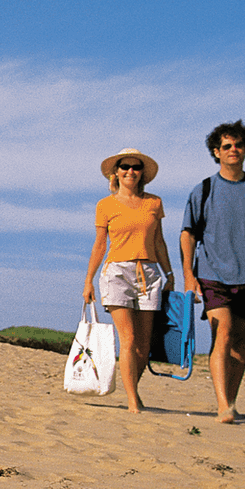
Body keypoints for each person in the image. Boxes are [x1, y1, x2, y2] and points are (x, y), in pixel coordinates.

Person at [179, 119, 245, 424]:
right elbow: (187, 234)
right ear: (216, 151)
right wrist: (189, 275)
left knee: (240, 346)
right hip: (214, 276)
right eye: (226, 146)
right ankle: (222, 405)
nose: (233, 150)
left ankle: (232, 400)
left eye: (238, 145)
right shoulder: (203, 190)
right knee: (223, 335)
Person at [82, 146, 173, 412]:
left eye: (136, 167)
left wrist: (170, 274)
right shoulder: (105, 205)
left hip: (150, 273)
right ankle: (133, 400)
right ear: (116, 173)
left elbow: (159, 241)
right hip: (117, 273)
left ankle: (132, 387)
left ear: (143, 173)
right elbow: (100, 245)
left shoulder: (154, 203)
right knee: (129, 339)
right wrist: (88, 280)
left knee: (144, 345)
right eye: (125, 167)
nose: (131, 171)